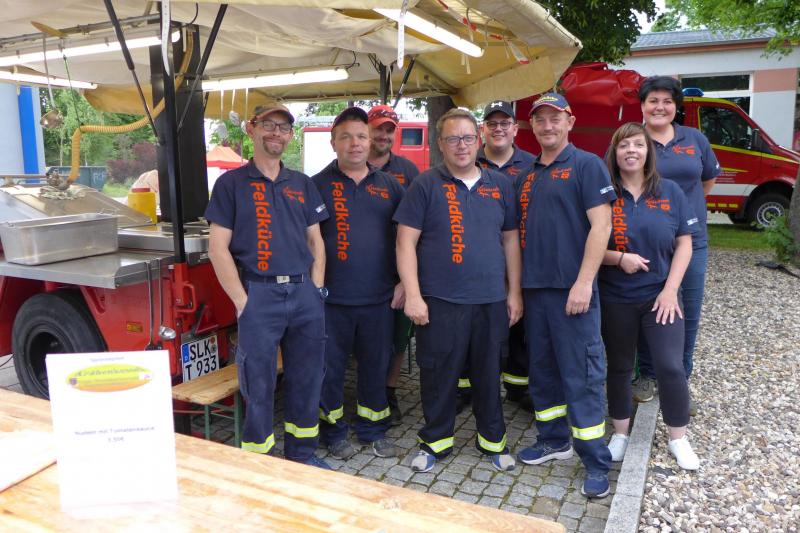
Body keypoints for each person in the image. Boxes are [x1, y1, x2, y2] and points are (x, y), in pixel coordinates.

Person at [394, 108, 522, 473]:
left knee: (488, 373)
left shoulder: (500, 185)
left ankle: (493, 441)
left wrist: (514, 293)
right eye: (452, 138)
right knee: (438, 374)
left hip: (490, 299)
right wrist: (414, 295)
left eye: (467, 137)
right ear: (440, 144)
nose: (461, 145)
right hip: (439, 301)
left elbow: (511, 241)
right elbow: (405, 243)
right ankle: (434, 442)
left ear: (478, 140)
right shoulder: (425, 185)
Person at [206, 103, 331, 469]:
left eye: (284, 127)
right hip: (259, 295)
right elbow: (217, 248)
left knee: (307, 378)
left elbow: (316, 241)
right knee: (258, 384)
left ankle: (302, 455)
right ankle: (260, 462)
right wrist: (242, 302)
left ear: (291, 136)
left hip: (304, 294)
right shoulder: (231, 185)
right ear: (252, 128)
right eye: (269, 125)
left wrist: (316, 289)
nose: (277, 133)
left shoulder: (302, 184)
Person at [515, 93, 615, 498]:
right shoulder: (529, 173)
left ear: (570, 122)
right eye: (540, 119)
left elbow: (602, 226)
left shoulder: (587, 165)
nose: (547, 125)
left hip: (573, 292)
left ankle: (596, 460)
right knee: (543, 371)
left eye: (555, 118)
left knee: (583, 376)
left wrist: (584, 282)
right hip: (536, 291)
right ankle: (553, 440)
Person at [599, 122, 700, 470]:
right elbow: (585, 245)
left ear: (648, 152)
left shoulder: (670, 191)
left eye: (638, 145)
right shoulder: (604, 194)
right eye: (624, 145)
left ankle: (678, 439)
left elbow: (685, 244)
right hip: (616, 296)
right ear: (614, 152)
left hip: (661, 296)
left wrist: (671, 290)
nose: (631, 151)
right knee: (620, 366)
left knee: (670, 366)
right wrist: (618, 258)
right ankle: (620, 434)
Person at [312, 107, 404, 460]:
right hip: (330, 300)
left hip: (379, 298)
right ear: (333, 142)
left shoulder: (390, 186)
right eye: (346, 137)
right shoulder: (315, 186)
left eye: (361, 136)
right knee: (329, 370)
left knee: (375, 367)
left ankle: (372, 429)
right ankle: (333, 432)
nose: (355, 143)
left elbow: (406, 239)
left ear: (370, 141)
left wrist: (403, 282)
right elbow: (306, 242)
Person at [632, 76, 720, 416]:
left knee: (688, 312)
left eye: (667, 101)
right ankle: (648, 376)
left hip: (692, 241)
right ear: (642, 105)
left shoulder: (694, 139)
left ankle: (680, 380)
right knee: (648, 308)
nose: (660, 107)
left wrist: (682, 213)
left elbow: (706, 180)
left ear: (676, 106)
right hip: (648, 243)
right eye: (653, 100)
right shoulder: (633, 140)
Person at [477, 100, 536, 410]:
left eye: (504, 123)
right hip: (480, 259)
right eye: (492, 123)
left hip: (520, 256)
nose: (498, 129)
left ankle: (517, 387)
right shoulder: (469, 161)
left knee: (519, 325)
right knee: (477, 328)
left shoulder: (533, 165)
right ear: (482, 130)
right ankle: (468, 388)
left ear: (515, 129)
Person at [366, 104, 420, 427]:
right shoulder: (350, 164)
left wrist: (406, 280)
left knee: (398, 339)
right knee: (365, 339)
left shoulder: (408, 171)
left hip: (396, 271)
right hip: (360, 272)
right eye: (379, 128)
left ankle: (389, 391)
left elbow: (419, 227)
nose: (384, 135)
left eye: (390, 130)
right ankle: (363, 392)